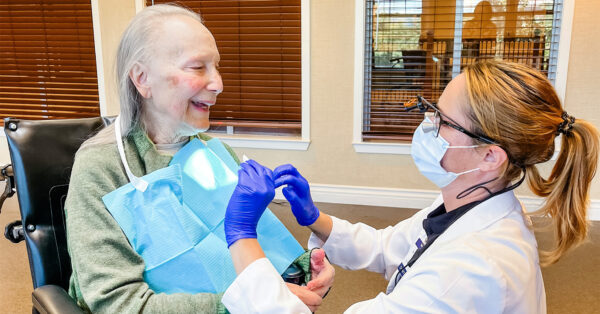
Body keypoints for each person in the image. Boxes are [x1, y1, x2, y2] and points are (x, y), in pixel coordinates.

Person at [220, 60, 599, 313]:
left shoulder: (472, 269)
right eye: (431, 109)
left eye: (443, 121)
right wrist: (316, 219)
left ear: (490, 157)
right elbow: (391, 248)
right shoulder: (467, 204)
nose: (426, 126)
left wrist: (240, 235)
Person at [64, 4, 332, 313]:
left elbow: (249, 244)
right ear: (142, 79)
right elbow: (118, 304)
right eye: (197, 67)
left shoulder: (212, 152)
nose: (218, 84)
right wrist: (239, 306)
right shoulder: (101, 167)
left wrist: (302, 272)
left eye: (216, 67)